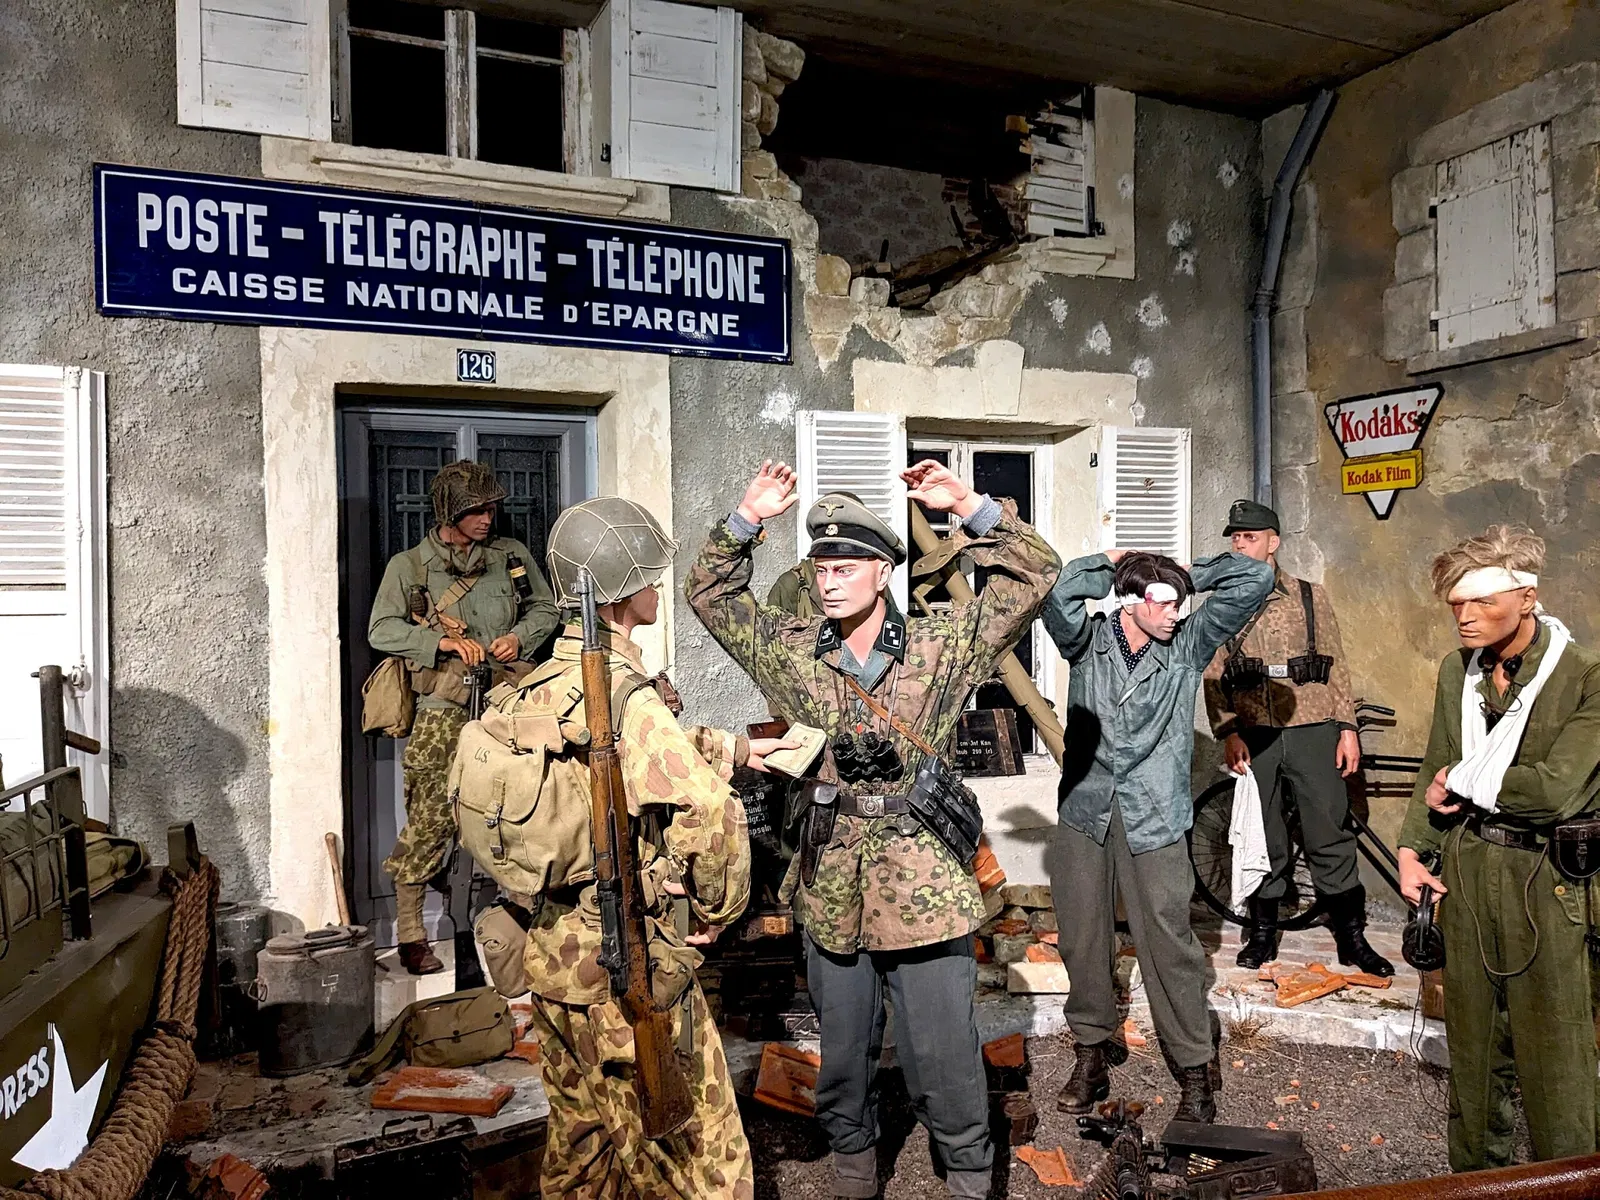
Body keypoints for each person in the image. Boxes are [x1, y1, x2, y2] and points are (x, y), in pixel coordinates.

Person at [686, 460, 1060, 1200]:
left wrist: (970, 506)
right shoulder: (793, 647)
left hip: (924, 882)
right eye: (821, 563)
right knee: (845, 1053)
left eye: (848, 564)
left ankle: (965, 1174)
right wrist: (744, 518)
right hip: (832, 882)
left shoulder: (939, 645)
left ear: (883, 571)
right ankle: (856, 1169)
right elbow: (710, 595)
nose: (830, 578)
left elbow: (1033, 577)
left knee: (946, 1054)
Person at [511, 495, 796, 1200]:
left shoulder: (541, 685)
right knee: (701, 1163)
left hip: (551, 962)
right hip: (625, 966)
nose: (658, 586)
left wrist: (732, 747)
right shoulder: (627, 696)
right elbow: (711, 812)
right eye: (649, 575)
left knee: (584, 1155)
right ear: (621, 591)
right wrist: (714, 913)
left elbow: (605, 763)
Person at [1043, 545, 1274, 1123]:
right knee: (1082, 935)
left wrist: (1185, 574)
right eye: (1162, 603)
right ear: (1129, 600)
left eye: (1178, 603)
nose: (1174, 613)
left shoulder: (1188, 645)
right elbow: (1058, 591)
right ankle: (1092, 1051)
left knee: (1168, 939)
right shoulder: (1086, 641)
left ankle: (1195, 1066)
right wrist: (1106, 560)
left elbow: (1255, 578)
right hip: (1086, 808)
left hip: (1156, 812)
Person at [1397, 525, 1600, 1172]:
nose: (1465, 616)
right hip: (1468, 870)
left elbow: (1555, 792)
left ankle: (1568, 1185)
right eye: (1456, 605)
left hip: (1547, 884)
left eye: (1481, 602)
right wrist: (1413, 851)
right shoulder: (1459, 673)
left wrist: (1461, 780)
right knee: (1476, 1067)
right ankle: (1475, 1186)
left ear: (1528, 597)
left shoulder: (1585, 677)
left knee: (1558, 1071)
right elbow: (1436, 761)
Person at [368, 460, 560, 974]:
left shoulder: (511, 558)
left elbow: (545, 610)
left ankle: (517, 921)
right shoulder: (410, 566)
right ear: (450, 513)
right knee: (431, 813)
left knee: (516, 804)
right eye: (477, 509)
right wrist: (441, 641)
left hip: (505, 704)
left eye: (492, 507)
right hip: (442, 707)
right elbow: (381, 630)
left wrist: (520, 637)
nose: (488, 517)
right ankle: (411, 933)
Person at [1202, 499, 1393, 975]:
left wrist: (1347, 729)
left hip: (1313, 727)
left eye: (1250, 536)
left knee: (1329, 830)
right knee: (1263, 834)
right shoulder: (1223, 603)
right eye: (1235, 537)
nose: (1240, 544)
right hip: (1255, 733)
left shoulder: (1310, 596)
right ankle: (1264, 932)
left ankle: (1351, 937)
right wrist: (1227, 732)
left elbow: (1337, 664)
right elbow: (1212, 673)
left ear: (1274, 541)